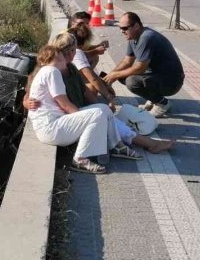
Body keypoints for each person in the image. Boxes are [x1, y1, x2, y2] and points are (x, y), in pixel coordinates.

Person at [24, 34, 175, 156]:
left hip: (75, 112)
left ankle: (129, 145)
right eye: (70, 50)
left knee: (110, 118)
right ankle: (149, 144)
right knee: (114, 123)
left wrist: (102, 105)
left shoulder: (70, 67)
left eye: (73, 50)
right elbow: (31, 91)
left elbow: (85, 90)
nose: (73, 53)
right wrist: (26, 102)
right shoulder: (49, 70)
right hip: (65, 119)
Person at [26, 45, 140, 174]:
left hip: (53, 124)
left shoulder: (46, 71)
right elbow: (64, 104)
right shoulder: (52, 71)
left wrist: (87, 117)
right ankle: (80, 159)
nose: (63, 61)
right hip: (51, 129)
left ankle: (115, 145)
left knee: (103, 109)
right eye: (59, 58)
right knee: (97, 113)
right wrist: (85, 118)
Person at [103, 12, 184, 118]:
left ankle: (162, 103)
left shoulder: (147, 37)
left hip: (172, 81)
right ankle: (153, 99)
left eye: (125, 28)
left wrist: (115, 75)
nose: (122, 31)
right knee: (121, 76)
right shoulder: (133, 37)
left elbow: (140, 68)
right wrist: (110, 76)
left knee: (131, 81)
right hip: (158, 75)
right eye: (120, 28)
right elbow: (127, 61)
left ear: (136, 26)